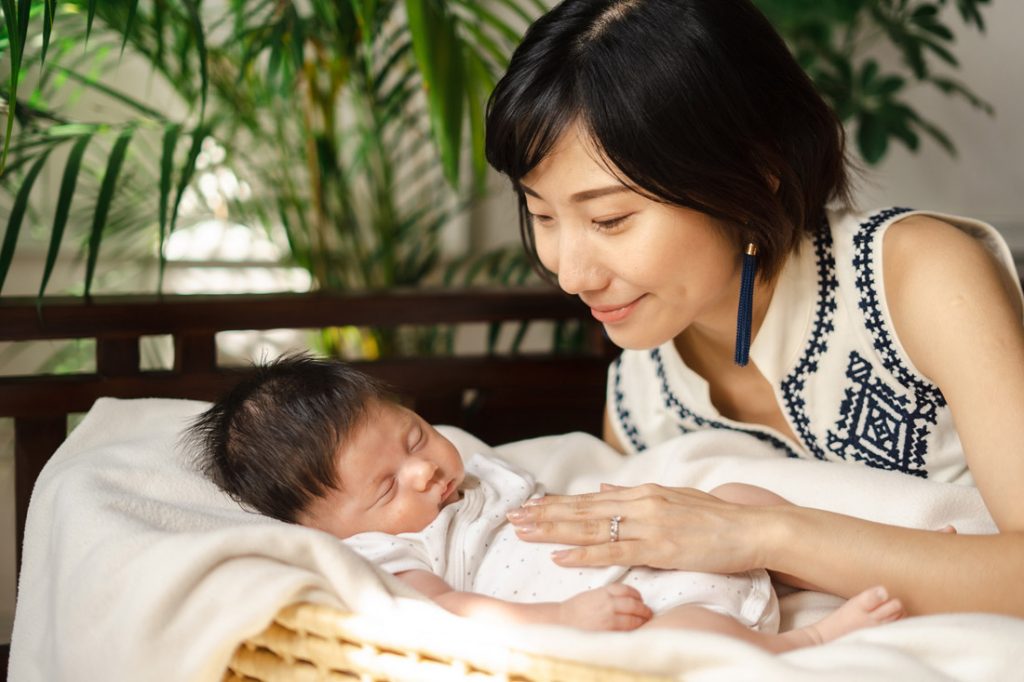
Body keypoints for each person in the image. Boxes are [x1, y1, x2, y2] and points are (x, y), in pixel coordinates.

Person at [484, 0, 1024, 617]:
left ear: (755, 171)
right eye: (543, 215)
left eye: (611, 219)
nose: (571, 273)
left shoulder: (919, 278)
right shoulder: (642, 395)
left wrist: (766, 533)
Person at [187, 354, 905, 652]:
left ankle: (835, 561)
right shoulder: (387, 550)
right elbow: (451, 609)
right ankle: (797, 645)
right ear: (331, 528)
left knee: (742, 497)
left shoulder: (471, 473)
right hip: (634, 605)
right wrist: (560, 618)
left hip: (649, 545)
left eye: (413, 437)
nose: (421, 472)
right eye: (384, 488)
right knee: (684, 640)